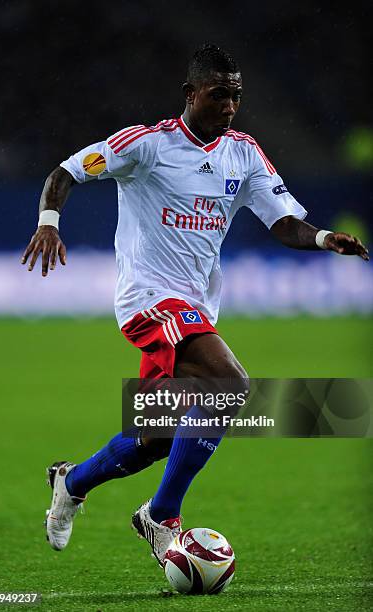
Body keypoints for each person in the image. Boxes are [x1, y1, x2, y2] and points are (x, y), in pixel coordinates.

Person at [21, 44, 368, 565]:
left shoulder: (244, 153)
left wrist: (322, 239)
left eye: (237, 96)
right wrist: (49, 223)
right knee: (232, 386)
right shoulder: (146, 145)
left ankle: (72, 482)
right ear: (191, 93)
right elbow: (65, 172)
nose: (230, 106)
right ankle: (161, 517)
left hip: (198, 307)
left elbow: (282, 220)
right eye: (219, 95)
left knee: (156, 436)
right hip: (149, 299)